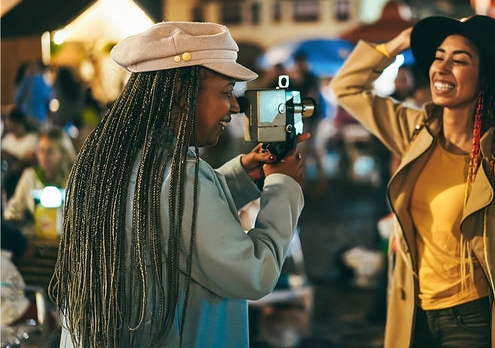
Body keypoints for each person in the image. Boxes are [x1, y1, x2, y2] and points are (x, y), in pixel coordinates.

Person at [331, 15, 495, 348]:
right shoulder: (416, 131)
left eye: (458, 60)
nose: (441, 68)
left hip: (472, 321)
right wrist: (399, 44)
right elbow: (346, 88)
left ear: (484, 77)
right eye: (438, 56)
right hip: (413, 314)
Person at [49, 22, 307, 348]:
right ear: (181, 95)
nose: (235, 107)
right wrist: (283, 187)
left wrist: (240, 176)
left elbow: (170, 219)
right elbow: (255, 273)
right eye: (226, 92)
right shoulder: (178, 179)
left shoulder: (113, 161)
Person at [3, 127, 76, 236]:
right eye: (41, 151)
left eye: (50, 151)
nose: (44, 157)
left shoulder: (74, 180)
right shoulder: (30, 176)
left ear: (63, 153)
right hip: (38, 240)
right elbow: (13, 210)